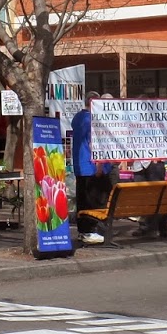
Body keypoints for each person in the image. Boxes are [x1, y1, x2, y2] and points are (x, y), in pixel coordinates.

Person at [71, 93, 108, 245]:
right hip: (92, 167)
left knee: (82, 200)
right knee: (94, 202)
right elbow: (95, 144)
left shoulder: (77, 118)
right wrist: (99, 165)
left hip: (80, 166)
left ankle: (83, 231)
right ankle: (91, 231)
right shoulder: (92, 120)